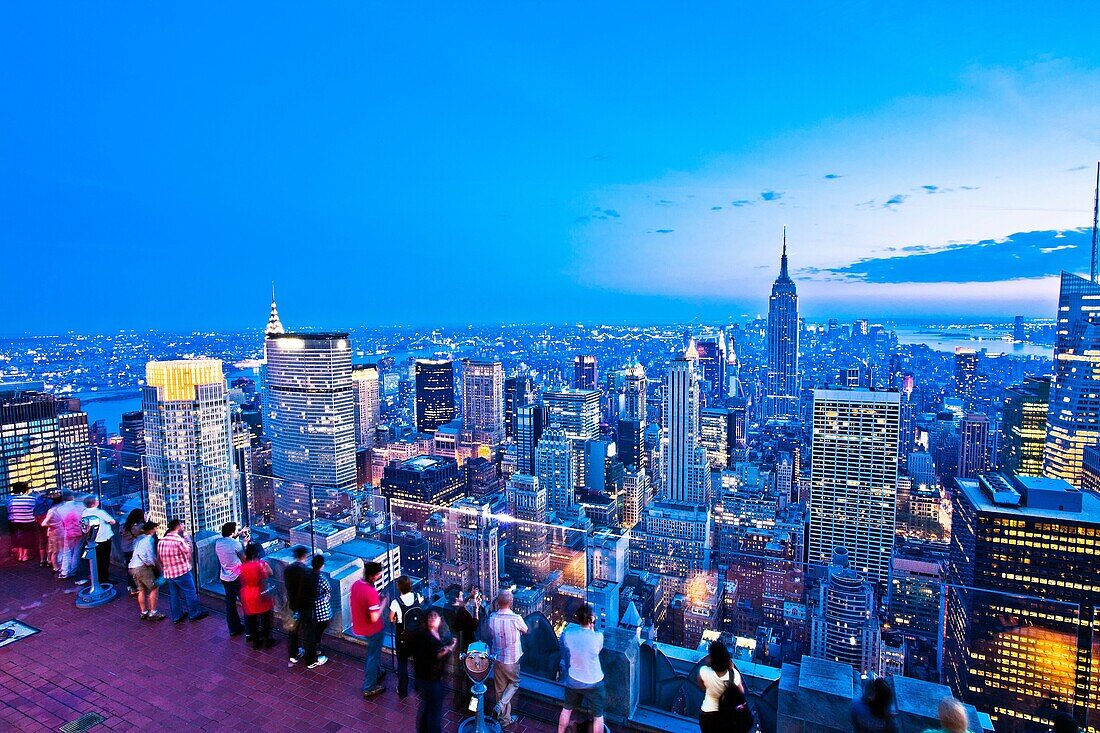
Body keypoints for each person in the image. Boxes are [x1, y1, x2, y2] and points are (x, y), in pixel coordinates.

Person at [558, 604, 606, 733]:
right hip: (594, 681)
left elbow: (567, 647)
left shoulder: (568, 635)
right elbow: (597, 650)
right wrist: (591, 628)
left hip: (574, 679)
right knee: (598, 715)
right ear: (591, 620)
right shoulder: (598, 637)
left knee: (567, 709)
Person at [410, 608, 456, 733]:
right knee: (434, 713)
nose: (434, 618)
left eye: (435, 616)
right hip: (433, 681)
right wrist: (452, 646)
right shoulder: (430, 639)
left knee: (425, 709)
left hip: (422, 679)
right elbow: (440, 654)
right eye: (432, 616)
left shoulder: (421, 635)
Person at [488, 589, 529, 729]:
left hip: (497, 658)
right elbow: (526, 630)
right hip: (512, 660)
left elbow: (490, 633)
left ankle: (504, 721)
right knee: (515, 683)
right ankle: (500, 705)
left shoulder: (492, 617)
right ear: (511, 602)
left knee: (500, 689)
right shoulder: (516, 618)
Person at [157, 519, 208, 624]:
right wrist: (187, 537)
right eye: (182, 525)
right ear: (178, 526)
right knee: (190, 592)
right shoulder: (178, 541)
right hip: (181, 572)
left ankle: (177, 616)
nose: (183, 526)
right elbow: (189, 550)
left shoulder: (162, 541)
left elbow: (159, 558)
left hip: (169, 572)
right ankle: (194, 614)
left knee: (174, 594)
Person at [351, 561, 387, 697]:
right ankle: (369, 687)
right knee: (373, 656)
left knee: (373, 653)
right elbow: (374, 617)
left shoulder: (356, 584)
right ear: (373, 576)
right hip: (373, 628)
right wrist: (382, 603)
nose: (380, 575)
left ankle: (377, 672)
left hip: (359, 625)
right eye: (379, 574)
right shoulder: (370, 592)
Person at [284, 545, 321, 668]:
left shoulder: (288, 569)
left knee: (293, 629)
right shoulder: (307, 572)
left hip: (293, 604)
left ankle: (293, 654)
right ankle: (311, 660)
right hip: (306, 605)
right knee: (310, 631)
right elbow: (313, 591)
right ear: (305, 556)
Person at [696, 640, 746, 733]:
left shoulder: (704, 671)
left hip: (706, 715)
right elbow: (741, 693)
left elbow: (702, 687)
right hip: (725, 717)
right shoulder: (734, 675)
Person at [389, 575, 424, 698]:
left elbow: (391, 618)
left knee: (402, 662)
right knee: (418, 661)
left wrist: (395, 618)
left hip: (403, 636)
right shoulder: (417, 597)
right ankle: (419, 685)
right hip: (417, 635)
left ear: (399, 587)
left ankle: (403, 690)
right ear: (410, 586)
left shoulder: (396, 602)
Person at [239, 542, 276, 650]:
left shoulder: (243, 566)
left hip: (247, 593)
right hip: (260, 593)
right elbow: (270, 573)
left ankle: (256, 642)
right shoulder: (260, 564)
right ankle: (267, 640)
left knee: (252, 620)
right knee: (266, 619)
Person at [448, 586, 479, 713]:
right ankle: (472, 707)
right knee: (472, 678)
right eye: (461, 596)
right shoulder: (462, 613)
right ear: (456, 599)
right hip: (467, 645)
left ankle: (459, 702)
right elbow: (474, 625)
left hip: (460, 647)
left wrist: (469, 597)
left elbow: (461, 607)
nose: (463, 598)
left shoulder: (452, 609)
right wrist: (477, 609)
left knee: (461, 677)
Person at [213, 522, 247, 637]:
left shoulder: (218, 543)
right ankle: (250, 629)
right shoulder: (236, 544)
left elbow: (229, 543)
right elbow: (244, 559)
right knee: (245, 602)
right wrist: (245, 543)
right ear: (232, 532)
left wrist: (239, 534)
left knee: (230, 603)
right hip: (237, 576)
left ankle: (233, 628)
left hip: (224, 577)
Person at [127, 521, 165, 621]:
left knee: (141, 590)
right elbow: (150, 557)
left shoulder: (139, 540)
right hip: (142, 568)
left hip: (133, 567)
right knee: (154, 588)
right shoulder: (149, 540)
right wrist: (157, 567)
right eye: (155, 528)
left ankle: (143, 612)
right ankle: (153, 612)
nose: (156, 530)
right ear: (152, 529)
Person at [81, 496, 117, 583]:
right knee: (104, 560)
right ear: (93, 503)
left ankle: (97, 577)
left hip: (92, 539)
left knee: (96, 560)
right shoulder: (100, 512)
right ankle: (104, 579)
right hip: (103, 539)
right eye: (97, 500)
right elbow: (112, 521)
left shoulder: (84, 512)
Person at [55, 491, 86, 579]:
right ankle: (73, 570)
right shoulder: (81, 506)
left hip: (68, 532)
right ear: (72, 496)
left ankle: (65, 571)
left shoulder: (59, 509)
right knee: (77, 551)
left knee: (67, 552)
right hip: (80, 532)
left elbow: (60, 523)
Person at [6, 482, 38, 563]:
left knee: (19, 537)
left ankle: (20, 555)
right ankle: (25, 555)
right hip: (29, 521)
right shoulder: (31, 499)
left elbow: (8, 510)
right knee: (27, 537)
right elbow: (34, 509)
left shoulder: (10, 499)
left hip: (14, 522)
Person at [311, 554, 332, 667]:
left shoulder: (308, 575)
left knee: (315, 628)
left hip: (310, 606)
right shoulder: (322, 578)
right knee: (321, 626)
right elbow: (328, 589)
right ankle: (317, 647)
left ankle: (315, 646)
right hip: (321, 607)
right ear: (322, 566)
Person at [120, 508, 145, 594]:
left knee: (129, 568)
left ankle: (130, 585)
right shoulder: (136, 528)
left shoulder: (123, 526)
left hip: (125, 549)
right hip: (132, 550)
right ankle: (134, 587)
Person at [40, 494, 65, 573]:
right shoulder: (52, 511)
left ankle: (54, 564)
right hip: (55, 533)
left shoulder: (56, 510)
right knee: (55, 550)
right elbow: (43, 523)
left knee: (57, 550)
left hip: (58, 532)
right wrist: (54, 525)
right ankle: (55, 566)